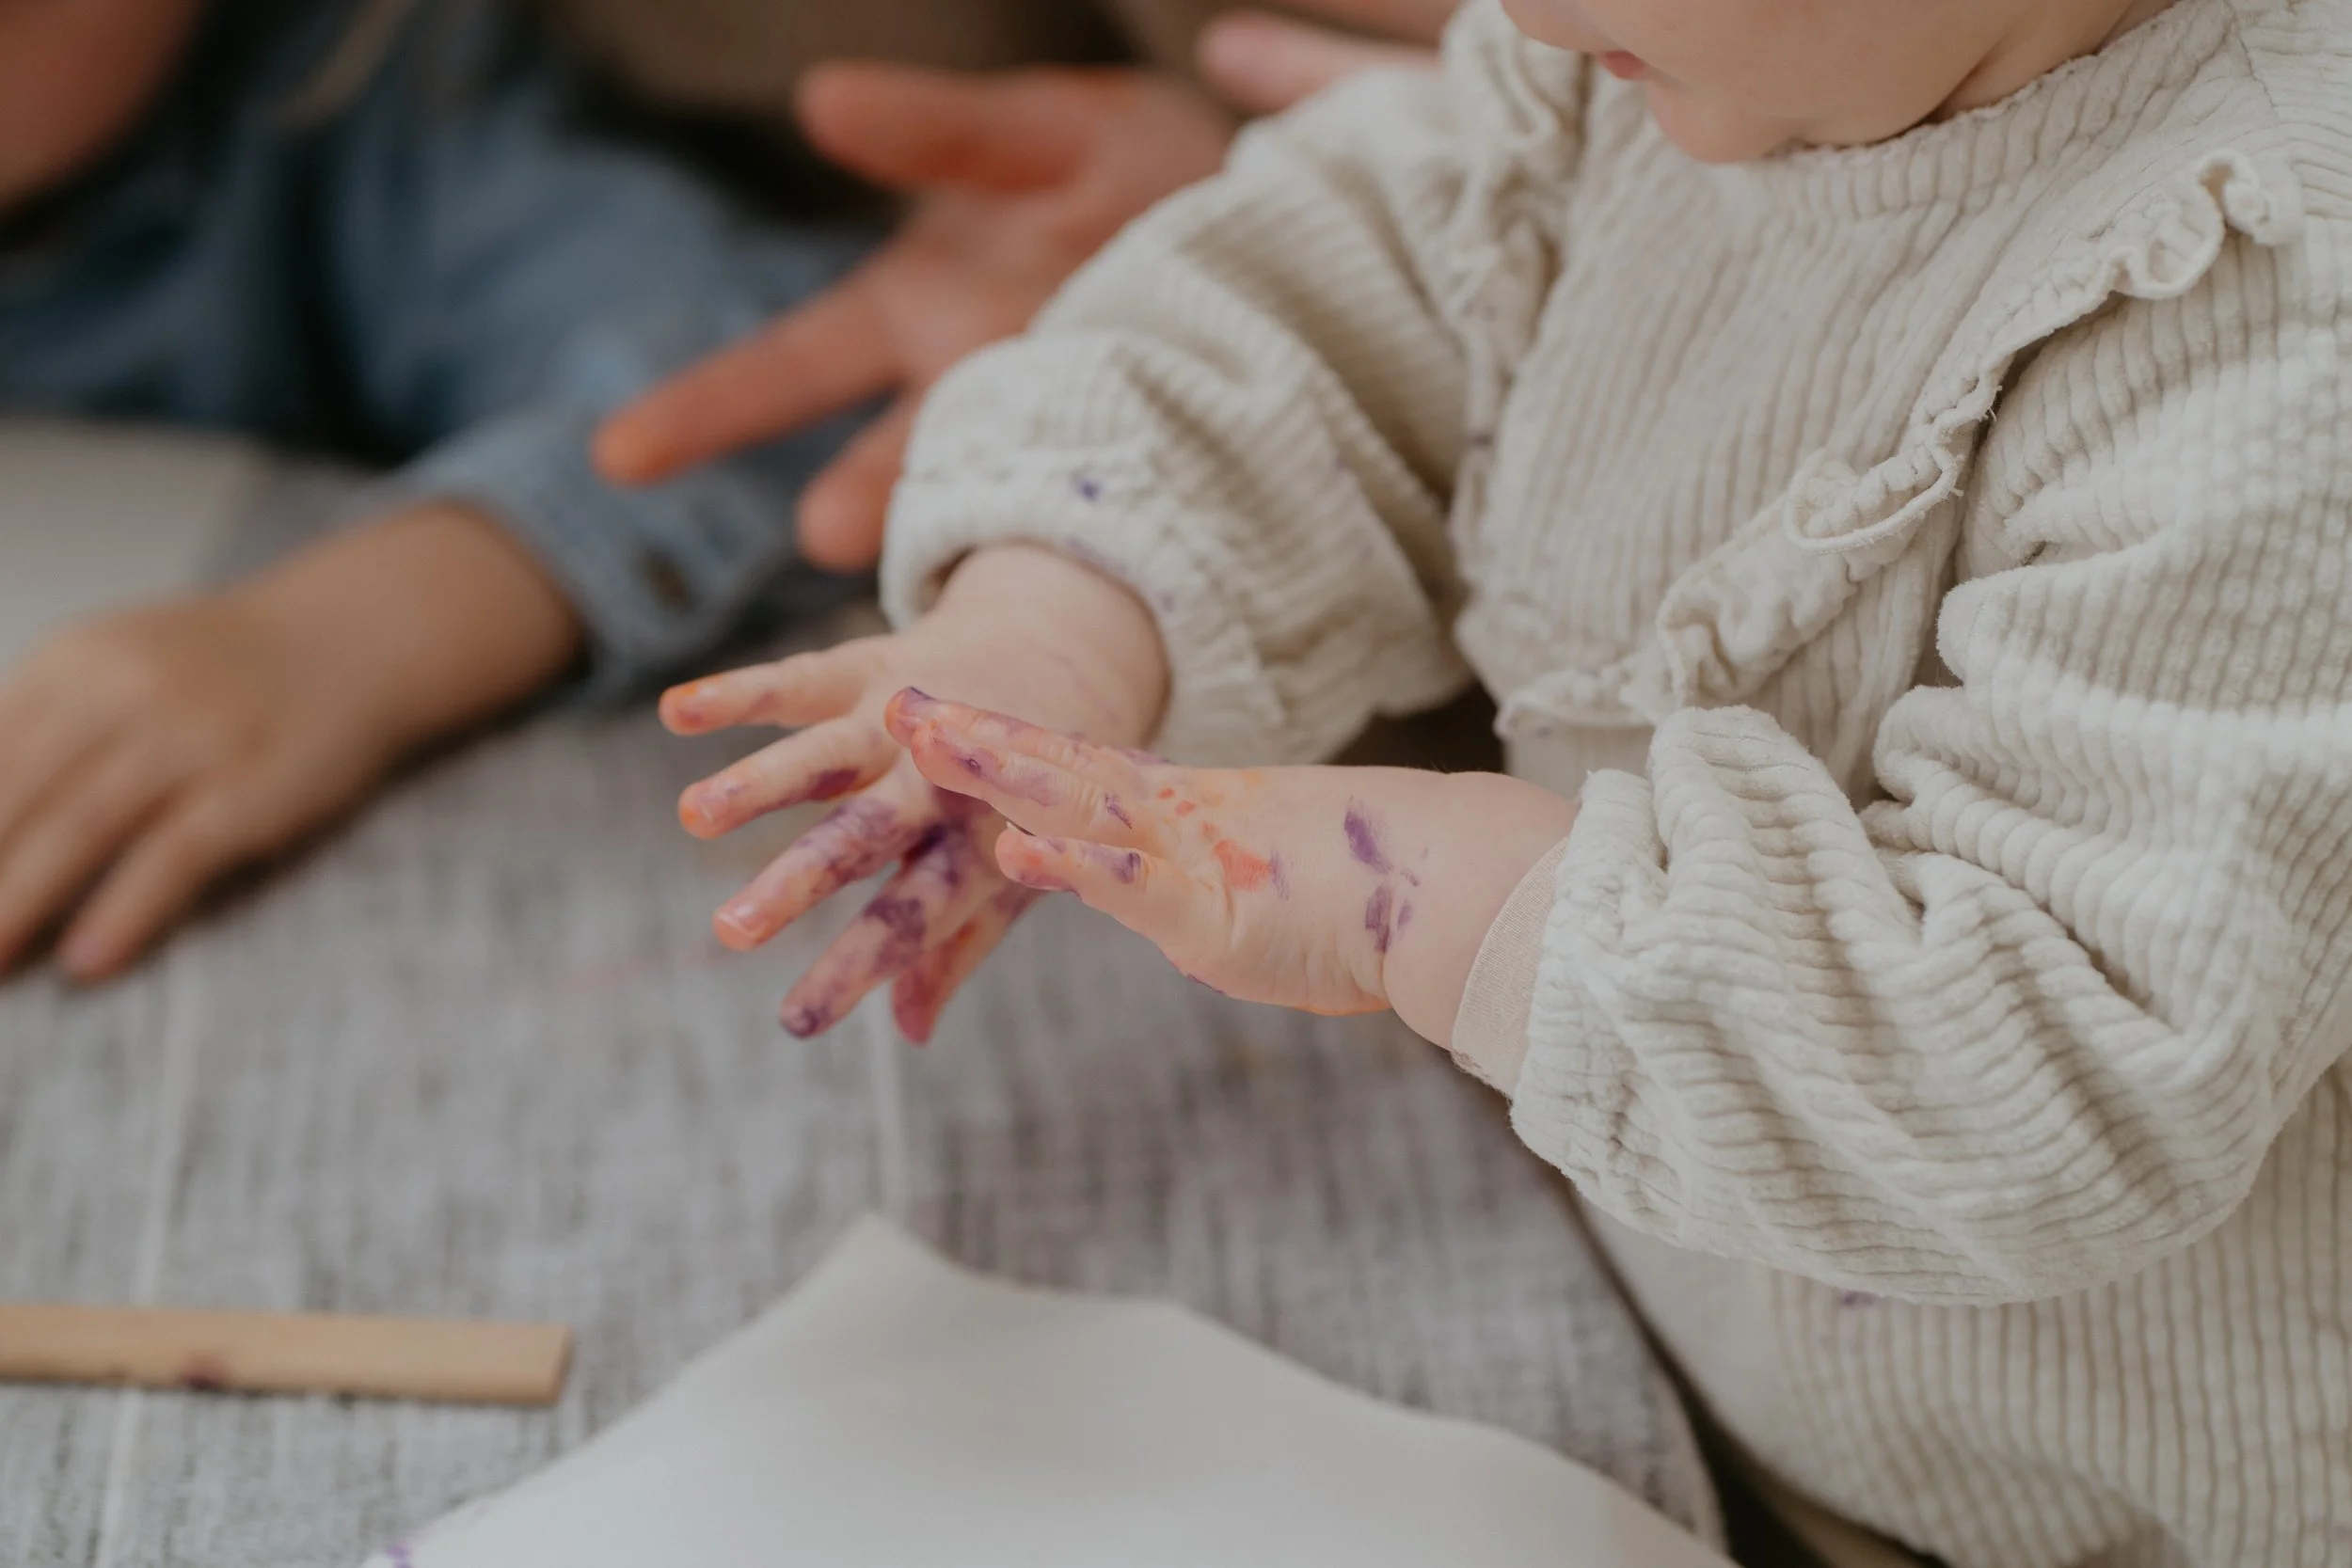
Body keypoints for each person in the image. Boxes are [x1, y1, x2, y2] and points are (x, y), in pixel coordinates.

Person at [662, 0, 2352, 1563]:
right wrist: (1056, 626)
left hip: (2130, 1507)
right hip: (1753, 1362)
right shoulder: (1631, 67)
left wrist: (1426, 896)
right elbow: (1313, 327)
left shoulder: (2270, 319)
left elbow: (2053, 1067)